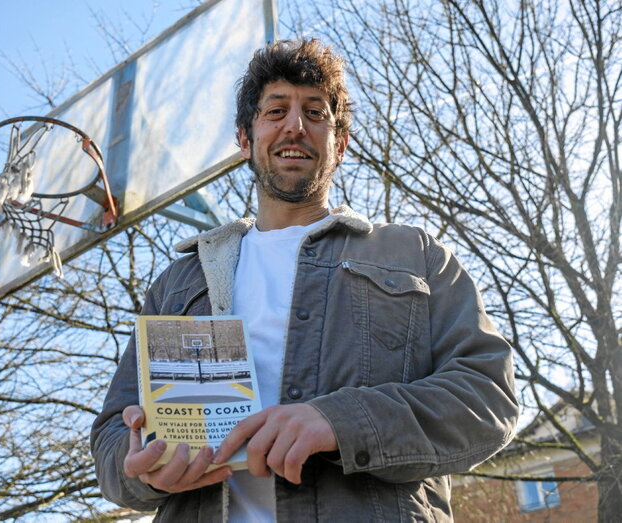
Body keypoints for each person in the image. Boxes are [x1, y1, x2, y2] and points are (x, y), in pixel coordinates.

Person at [91, 38, 518, 522]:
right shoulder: (178, 282)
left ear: (341, 145)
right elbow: (111, 439)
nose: (295, 125)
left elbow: (487, 398)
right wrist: (140, 468)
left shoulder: (415, 255)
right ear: (245, 140)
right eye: (276, 111)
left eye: (315, 113)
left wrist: (339, 421)